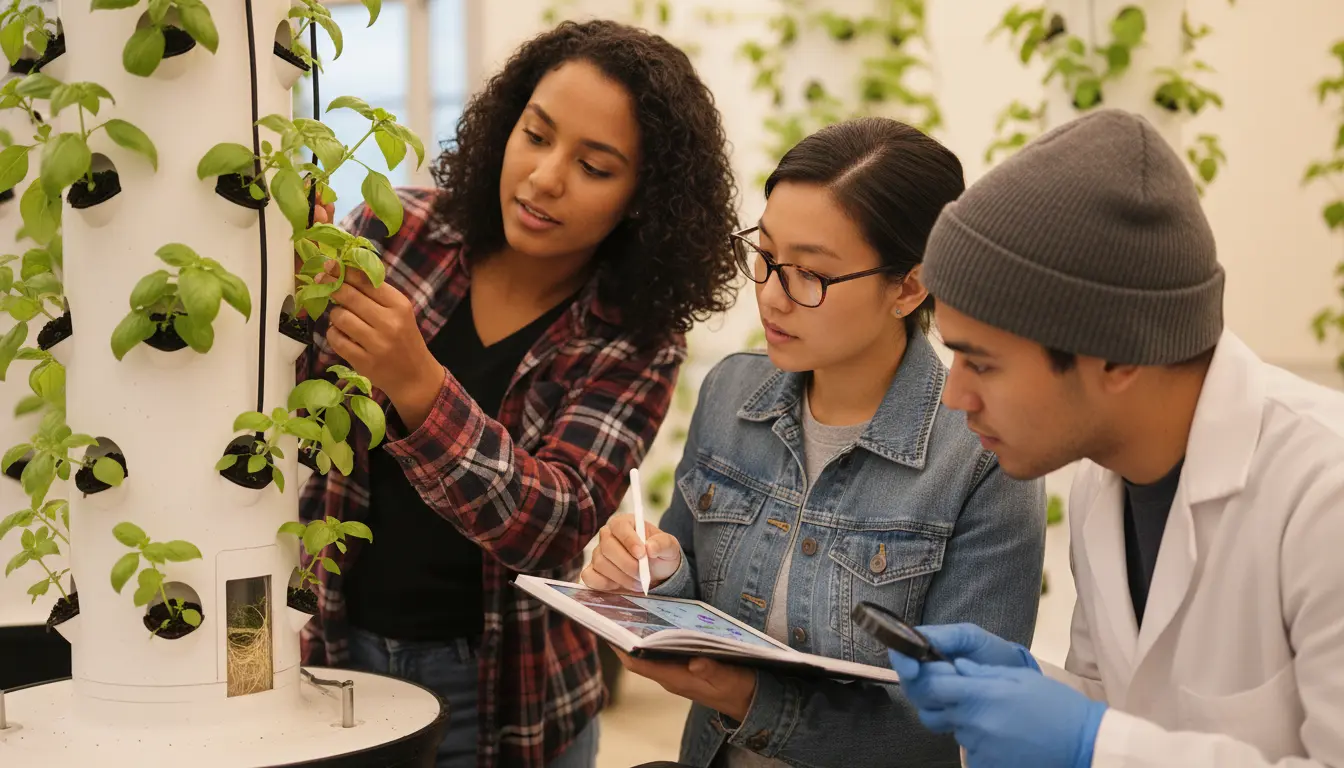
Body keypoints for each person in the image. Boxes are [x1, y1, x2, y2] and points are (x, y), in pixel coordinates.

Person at [296, 20, 740, 768]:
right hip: (333, 647)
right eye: (535, 136)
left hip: (507, 690)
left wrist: (420, 386)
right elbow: (292, 414)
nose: (544, 178)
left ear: (642, 198)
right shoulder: (391, 230)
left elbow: (552, 525)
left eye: (595, 167)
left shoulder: (636, 338)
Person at [580, 118, 1048, 767]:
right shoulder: (732, 395)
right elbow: (684, 603)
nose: (771, 295)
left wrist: (751, 700)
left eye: (810, 275)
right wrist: (651, 571)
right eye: (766, 256)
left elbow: (952, 726)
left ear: (908, 286)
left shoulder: (980, 456)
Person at [888, 108, 1344, 768]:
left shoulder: (1324, 494)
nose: (955, 397)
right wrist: (1031, 688)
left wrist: (1088, 744)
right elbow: (1135, 708)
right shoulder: (1104, 479)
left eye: (980, 362)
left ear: (1119, 357)